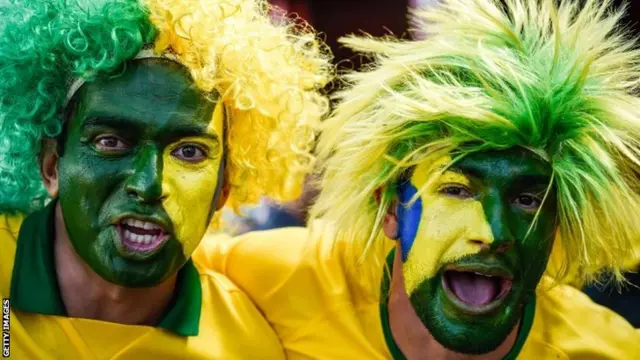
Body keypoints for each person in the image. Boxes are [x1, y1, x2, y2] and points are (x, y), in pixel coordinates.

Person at [197, 0, 640, 358]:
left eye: (527, 200)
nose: (493, 233)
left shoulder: (604, 349)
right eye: (457, 190)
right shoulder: (286, 277)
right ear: (390, 207)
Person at [0, 0, 331, 358]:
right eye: (110, 142)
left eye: (190, 152)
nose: (150, 184)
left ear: (224, 186)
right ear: (51, 165)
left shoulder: (242, 347)